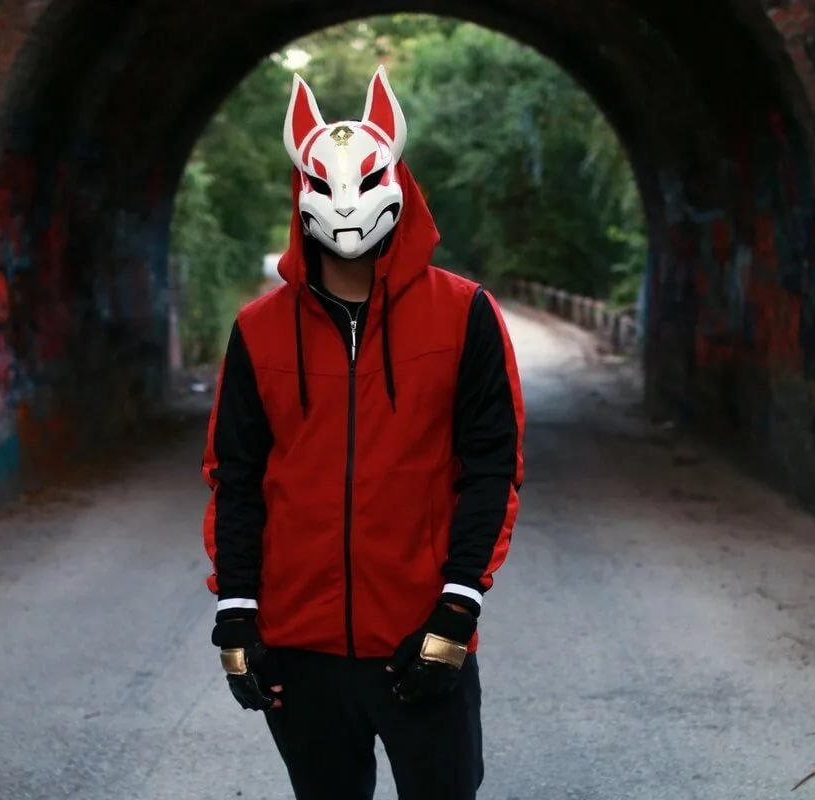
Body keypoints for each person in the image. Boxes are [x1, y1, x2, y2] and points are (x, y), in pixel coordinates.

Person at [201, 64, 525, 800]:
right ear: (302, 190)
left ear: (398, 183)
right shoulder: (258, 330)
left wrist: (457, 609)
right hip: (299, 649)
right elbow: (236, 476)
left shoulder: (464, 314)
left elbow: (491, 470)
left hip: (422, 635)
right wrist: (237, 612)